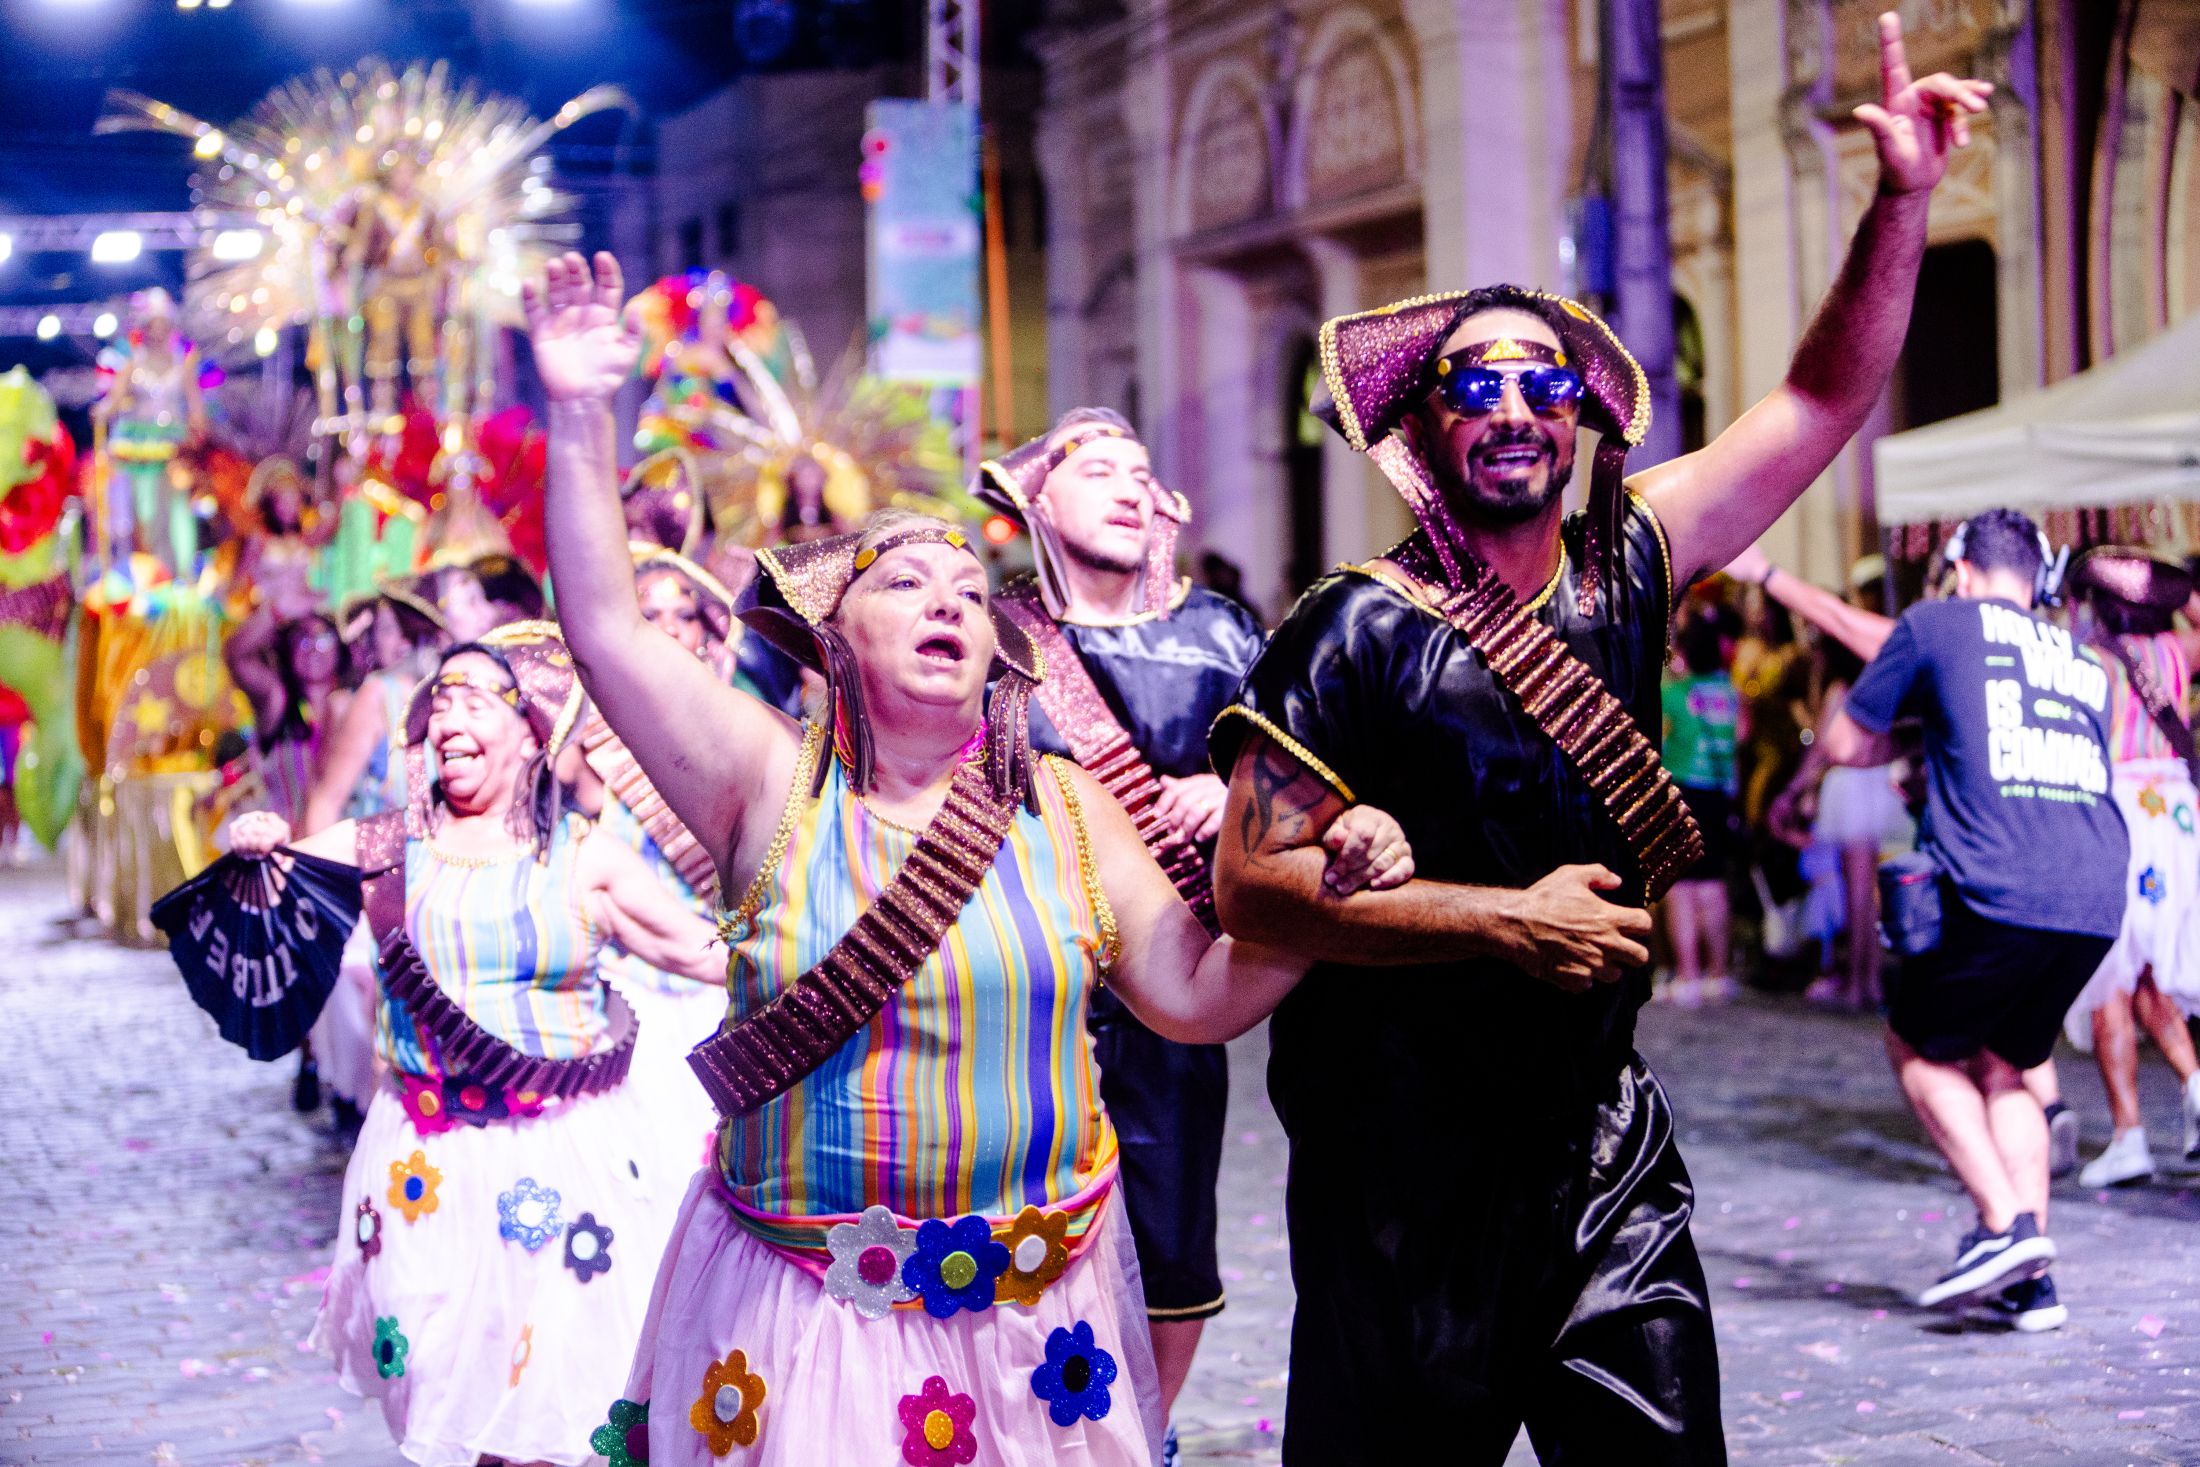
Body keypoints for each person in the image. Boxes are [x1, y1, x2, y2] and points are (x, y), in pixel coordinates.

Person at [1204, 17, 1989, 1459]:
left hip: (1603, 1153)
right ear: (1423, 429)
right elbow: (1251, 886)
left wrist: (1901, 200)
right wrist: (1502, 920)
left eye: (1545, 383)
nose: (1514, 405)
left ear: (1579, 423)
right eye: (1475, 384)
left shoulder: (1630, 563)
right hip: (1398, 1171)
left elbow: (1820, 400)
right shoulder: (1349, 627)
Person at [525, 250, 1418, 1464]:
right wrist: (580, 411)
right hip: (807, 1309)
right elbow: (604, 629)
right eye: (905, 583)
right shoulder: (767, 783)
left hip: (1035, 1321)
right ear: (833, 635)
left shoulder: (1065, 808)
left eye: (966, 586)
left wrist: (1321, 898)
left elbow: (1197, 997)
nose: (949, 600)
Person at [227, 625, 726, 1467]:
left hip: (564, 1160)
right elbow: (273, 885)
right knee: (447, 1386)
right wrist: (253, 842)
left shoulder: (583, 859)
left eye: (473, 699)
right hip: (424, 1164)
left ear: (532, 733)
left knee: (555, 1401)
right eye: (440, 701)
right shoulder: (384, 849)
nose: (448, 719)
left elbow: (706, 952)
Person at [976, 407, 1269, 1438]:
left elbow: (1299, 764)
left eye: (1139, 471)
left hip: (1171, 964)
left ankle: (1144, 1434)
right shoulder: (994, 637)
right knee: (1018, 1217)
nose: (1126, 486)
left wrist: (1231, 791)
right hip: (1031, 977)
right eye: (1096, 468)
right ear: (1037, 500)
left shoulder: (1221, 631)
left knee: (1172, 1227)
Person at [1823, 508, 2124, 1330]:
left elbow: (1847, 742)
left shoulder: (1934, 624)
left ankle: (2003, 1225)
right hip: (2095, 891)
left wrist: (1910, 736)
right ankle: (2031, 1282)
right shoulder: (2083, 660)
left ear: (1961, 569)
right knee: (2006, 1062)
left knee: (1918, 1046)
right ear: (2033, 577)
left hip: (2001, 884)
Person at [2059, 548, 2200, 1188]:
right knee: (2147, 972)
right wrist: (2175, 590)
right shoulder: (2179, 651)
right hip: (2175, 821)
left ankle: (2128, 1136)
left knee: (2108, 976)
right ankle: (2195, 1089)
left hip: (2119, 814)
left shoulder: (2086, 659)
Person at [1661, 608, 1745, 1006]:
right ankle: (1718, 973)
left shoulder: (1674, 694)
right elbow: (1742, 734)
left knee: (1681, 885)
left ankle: (1688, 975)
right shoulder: (1731, 694)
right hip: (1718, 793)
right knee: (1713, 884)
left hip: (1683, 791)